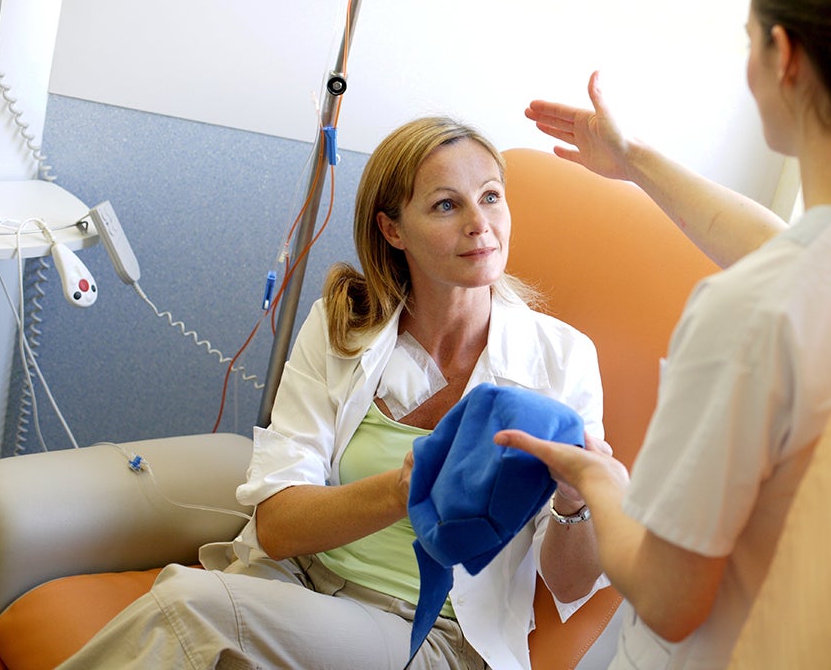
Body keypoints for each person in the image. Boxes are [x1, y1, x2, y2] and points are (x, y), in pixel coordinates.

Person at [495, 0, 831, 670]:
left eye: (750, 38)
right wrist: (633, 160)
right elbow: (796, 246)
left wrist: (600, 482)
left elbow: (669, 598)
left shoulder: (748, 313)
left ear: (781, 56)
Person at [59, 117, 609, 670]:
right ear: (393, 230)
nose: (479, 224)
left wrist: (575, 500)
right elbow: (277, 526)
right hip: (296, 585)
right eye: (447, 205)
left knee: (189, 607)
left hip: (425, 631)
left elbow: (570, 582)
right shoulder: (343, 326)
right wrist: (402, 492)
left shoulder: (561, 361)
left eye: (491, 197)